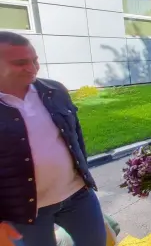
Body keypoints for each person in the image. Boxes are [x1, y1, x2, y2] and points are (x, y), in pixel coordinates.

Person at [0, 32, 106, 246]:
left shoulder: (54, 90)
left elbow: (75, 137)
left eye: (35, 60)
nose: (32, 68)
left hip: (78, 196)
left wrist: (84, 176)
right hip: (26, 212)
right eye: (21, 63)